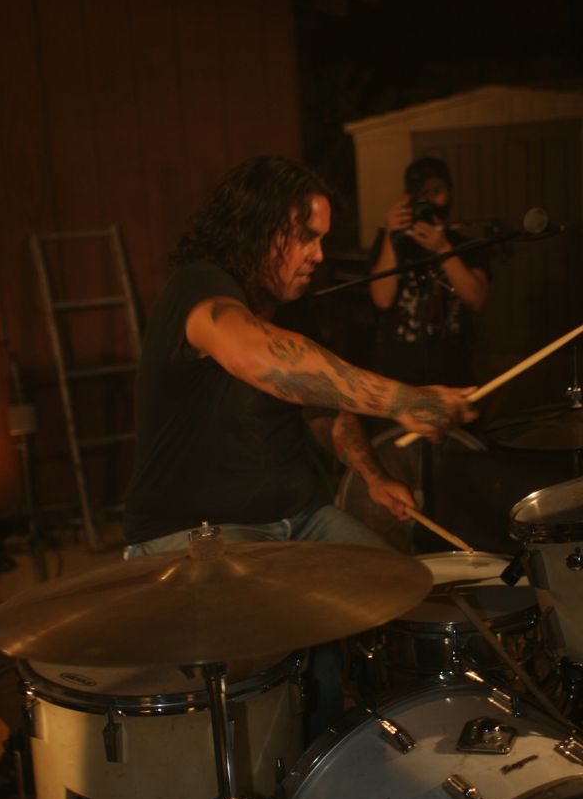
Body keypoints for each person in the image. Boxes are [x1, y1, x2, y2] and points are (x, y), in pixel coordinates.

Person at [123, 155, 477, 739]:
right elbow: (257, 355)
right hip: (203, 531)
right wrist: (405, 400)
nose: (317, 254)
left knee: (403, 591)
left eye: (322, 240)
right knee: (285, 650)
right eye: (305, 237)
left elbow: (321, 410)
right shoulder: (200, 288)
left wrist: (371, 475)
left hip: (301, 516)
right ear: (256, 227)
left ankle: (371, 740)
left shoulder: (283, 305)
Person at [369, 156, 490, 387]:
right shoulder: (391, 243)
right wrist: (390, 235)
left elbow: (476, 299)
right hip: (400, 377)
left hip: (453, 373)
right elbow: (381, 299)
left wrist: (443, 248)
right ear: (408, 197)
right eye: (422, 193)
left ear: (450, 193)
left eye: (437, 191)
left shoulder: (466, 246)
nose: (430, 200)